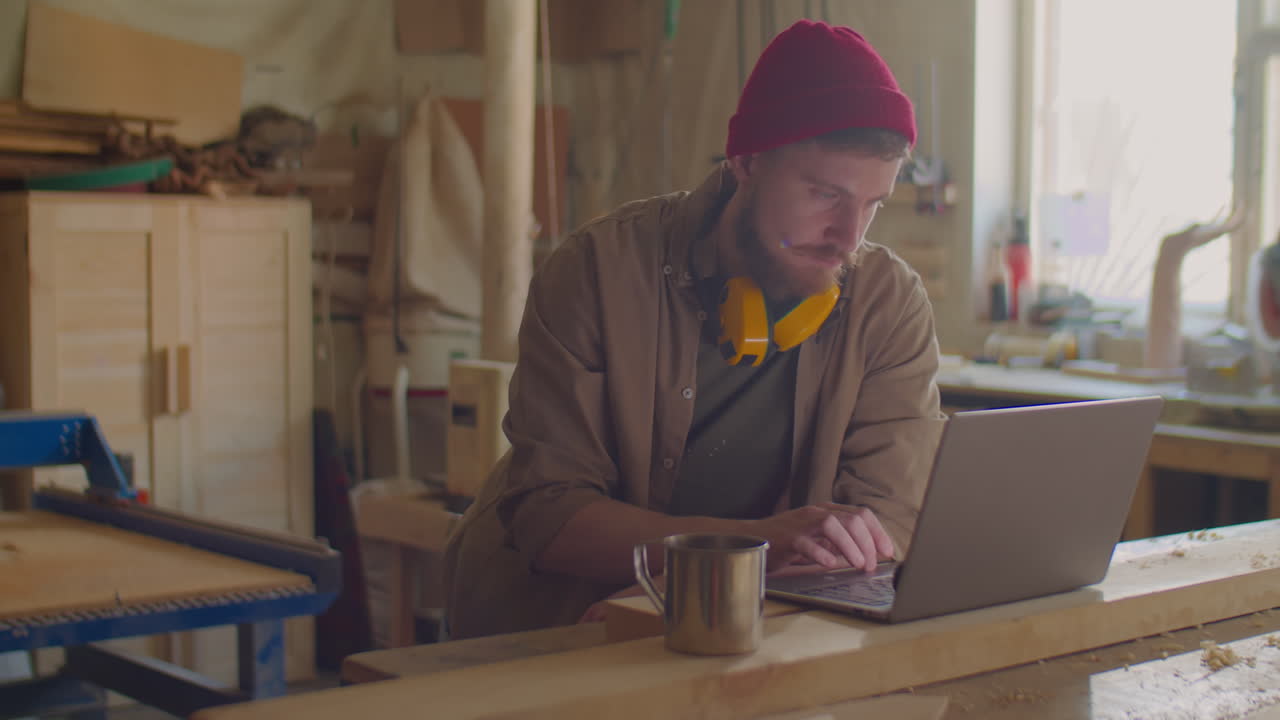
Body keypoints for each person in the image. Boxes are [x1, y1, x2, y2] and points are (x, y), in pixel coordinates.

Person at [442, 19, 947, 640]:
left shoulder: (888, 304)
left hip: (748, 629)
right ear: (746, 159)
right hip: (553, 630)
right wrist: (756, 546)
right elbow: (550, 516)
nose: (849, 237)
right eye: (824, 194)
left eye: (873, 205)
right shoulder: (598, 271)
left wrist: (757, 570)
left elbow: (889, 520)